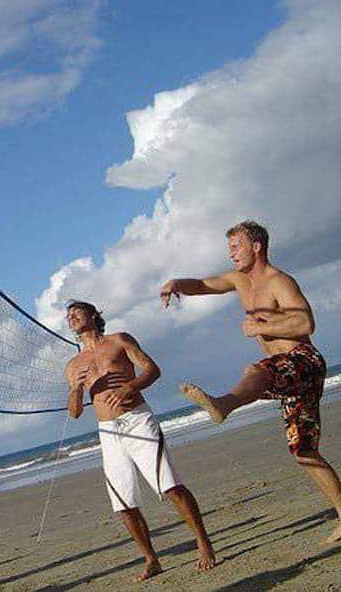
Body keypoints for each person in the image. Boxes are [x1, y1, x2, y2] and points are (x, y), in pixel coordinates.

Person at [161, 219, 341, 543]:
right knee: (303, 451)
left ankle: (222, 405)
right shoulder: (239, 281)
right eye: (229, 247)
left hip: (304, 362)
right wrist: (176, 284)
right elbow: (203, 284)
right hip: (283, 371)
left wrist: (262, 326)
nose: (230, 254)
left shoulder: (278, 281)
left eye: (235, 246)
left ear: (256, 247)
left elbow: (305, 321)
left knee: (255, 371)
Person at [64, 300, 215, 581]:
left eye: (76, 312)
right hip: (108, 431)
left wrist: (129, 386)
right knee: (123, 503)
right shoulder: (74, 365)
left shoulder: (118, 340)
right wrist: (75, 389)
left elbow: (152, 369)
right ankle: (151, 559)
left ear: (94, 315)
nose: (71, 317)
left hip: (137, 418)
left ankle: (203, 541)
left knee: (169, 485)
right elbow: (74, 413)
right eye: (68, 315)